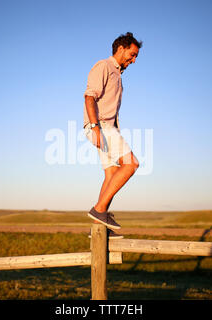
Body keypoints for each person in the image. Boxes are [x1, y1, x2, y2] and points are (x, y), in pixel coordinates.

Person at [83, 32, 142, 238]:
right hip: (101, 127)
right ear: (121, 48)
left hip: (108, 128)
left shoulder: (117, 74)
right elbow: (89, 96)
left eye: (135, 57)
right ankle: (99, 210)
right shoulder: (104, 66)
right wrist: (95, 127)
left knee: (111, 173)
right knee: (131, 164)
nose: (133, 60)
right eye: (132, 54)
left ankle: (100, 229)